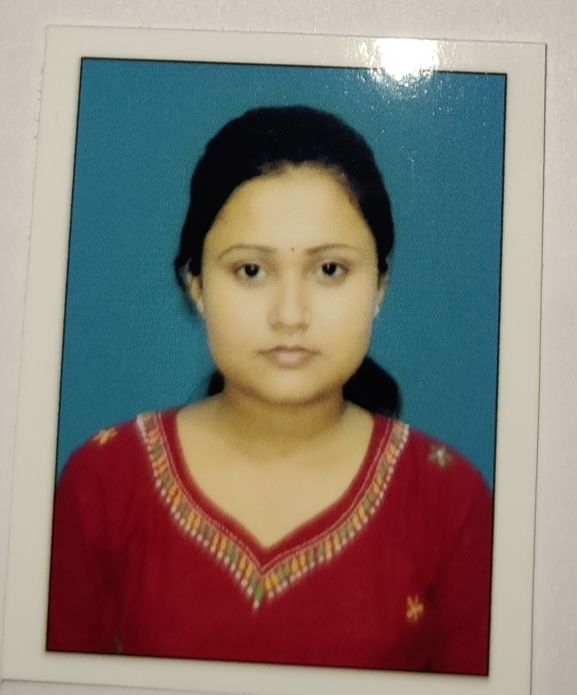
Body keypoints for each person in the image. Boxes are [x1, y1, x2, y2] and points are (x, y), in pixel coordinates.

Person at [47, 106, 493, 675]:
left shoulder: (450, 501)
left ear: (379, 285)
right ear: (196, 283)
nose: (289, 315)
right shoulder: (106, 482)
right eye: (251, 271)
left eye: (329, 270)